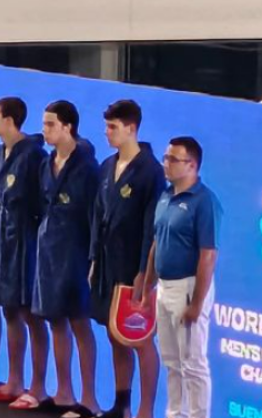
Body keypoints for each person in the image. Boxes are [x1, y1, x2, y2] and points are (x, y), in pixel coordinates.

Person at [90, 100, 164, 418]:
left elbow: (151, 227)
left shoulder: (150, 171)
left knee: (140, 337)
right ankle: (122, 405)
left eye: (113, 127)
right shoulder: (107, 166)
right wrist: (93, 258)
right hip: (108, 262)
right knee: (114, 332)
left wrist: (145, 273)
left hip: (134, 265)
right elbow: (97, 215)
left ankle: (145, 411)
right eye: (106, 126)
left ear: (131, 128)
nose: (107, 133)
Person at [141, 136, 222, 418]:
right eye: (165, 158)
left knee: (193, 364)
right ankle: (176, 414)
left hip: (189, 287)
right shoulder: (165, 196)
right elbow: (156, 242)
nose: (166, 164)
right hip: (164, 288)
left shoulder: (204, 201)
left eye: (173, 159)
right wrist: (148, 285)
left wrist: (197, 303)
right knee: (171, 362)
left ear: (192, 165)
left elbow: (208, 255)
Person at [32, 100, 100, 418]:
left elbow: (94, 217)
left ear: (67, 127)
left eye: (50, 125)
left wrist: (92, 259)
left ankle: (89, 399)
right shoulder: (46, 164)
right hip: (49, 250)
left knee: (79, 322)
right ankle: (63, 392)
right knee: (55, 320)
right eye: (44, 124)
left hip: (75, 252)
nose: (44, 130)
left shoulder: (87, 168)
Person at [0, 97, 50, 406]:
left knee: (30, 313)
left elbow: (40, 203)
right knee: (9, 309)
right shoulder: (2, 152)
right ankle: (13, 380)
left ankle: (38, 387)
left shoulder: (33, 155)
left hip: (25, 241)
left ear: (9, 120)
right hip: (3, 240)